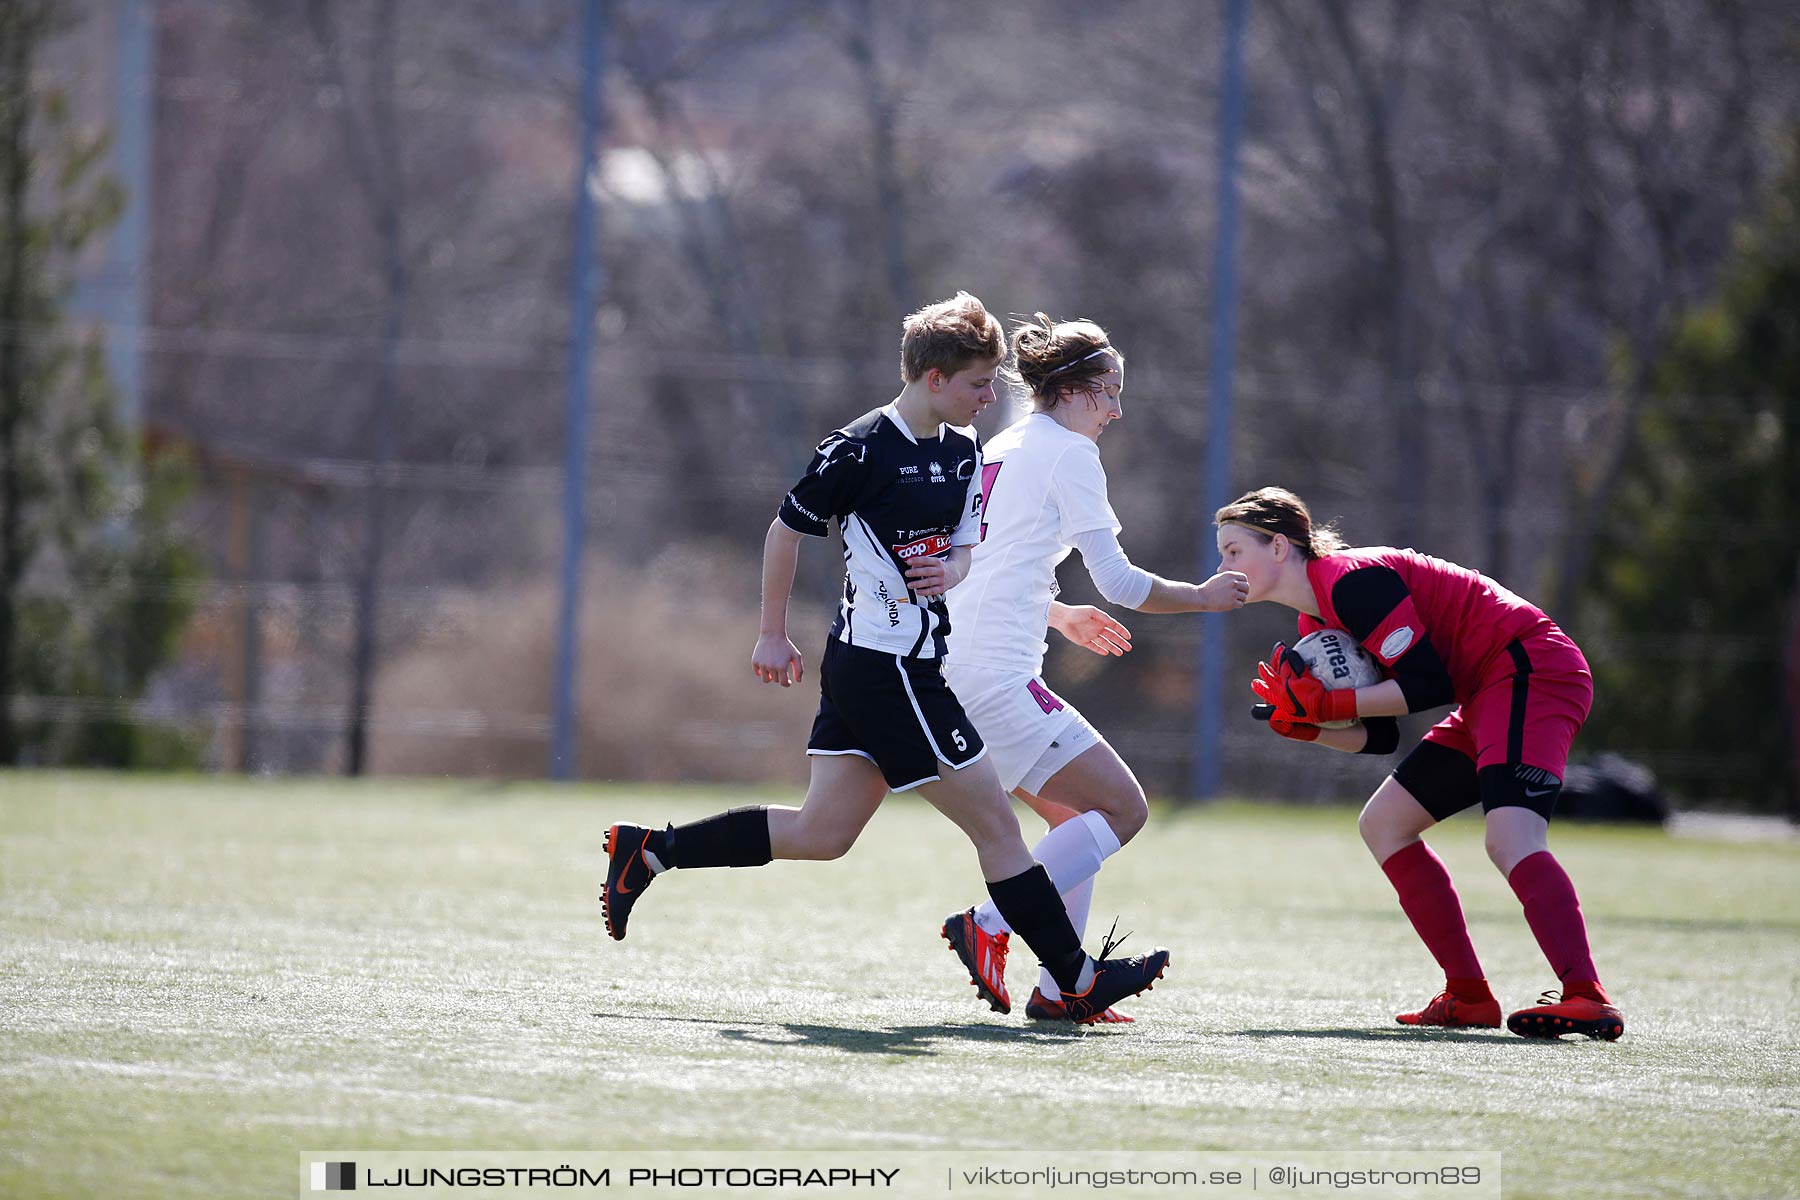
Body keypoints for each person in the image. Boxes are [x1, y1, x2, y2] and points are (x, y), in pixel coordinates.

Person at [601, 292, 1170, 1023]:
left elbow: (968, 552)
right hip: (885, 668)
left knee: (821, 833)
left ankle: (648, 851)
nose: (989, 397)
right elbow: (784, 532)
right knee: (999, 832)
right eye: (975, 384)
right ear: (932, 378)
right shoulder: (859, 448)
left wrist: (956, 572)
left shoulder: (964, 450)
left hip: (901, 665)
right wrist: (771, 632)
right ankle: (1074, 977)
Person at [1215, 486, 1625, 1040]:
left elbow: (1425, 684)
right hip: (1485, 688)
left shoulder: (1352, 582)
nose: (1225, 565)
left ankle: (1586, 995)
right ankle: (1468, 995)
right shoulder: (1317, 627)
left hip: (1531, 667)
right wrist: (1314, 729)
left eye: (1234, 551)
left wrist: (1332, 705)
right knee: (1384, 824)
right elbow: (1381, 735)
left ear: (1281, 548)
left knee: (1511, 838)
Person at [935, 313, 1249, 1024]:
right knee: (1124, 809)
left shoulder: (1006, 443)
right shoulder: (1068, 454)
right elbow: (1119, 581)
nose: (1115, 408)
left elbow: (985, 570)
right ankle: (987, 923)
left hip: (961, 667)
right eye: (1108, 391)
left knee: (1076, 818)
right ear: (1070, 390)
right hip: (997, 675)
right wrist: (1199, 598)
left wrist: (1058, 614)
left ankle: (1061, 987)